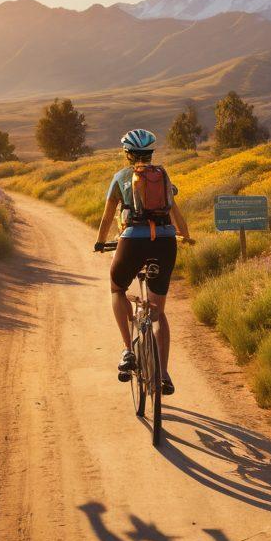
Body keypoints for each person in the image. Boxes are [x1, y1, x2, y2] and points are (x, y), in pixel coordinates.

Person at [93, 129, 192, 394]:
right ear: (151, 153)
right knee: (158, 312)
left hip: (132, 242)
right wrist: (185, 235)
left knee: (117, 289)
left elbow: (106, 218)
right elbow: (176, 214)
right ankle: (163, 374)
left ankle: (128, 351)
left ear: (127, 154)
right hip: (165, 243)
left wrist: (100, 242)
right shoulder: (162, 178)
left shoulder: (121, 178)